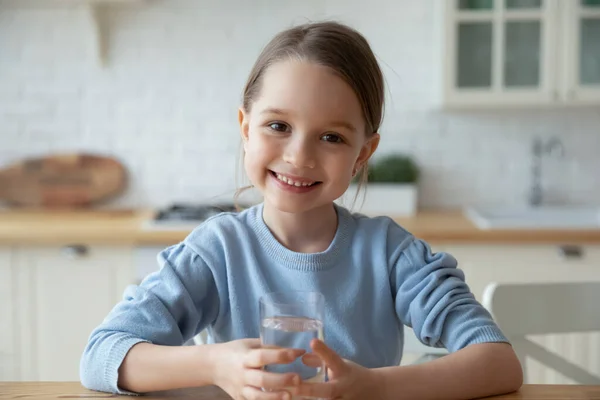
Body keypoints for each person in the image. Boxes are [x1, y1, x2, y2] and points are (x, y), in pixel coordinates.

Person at [80, 20, 523, 400]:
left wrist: (374, 387)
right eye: (278, 126)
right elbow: (102, 355)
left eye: (331, 137)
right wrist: (216, 364)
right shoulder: (216, 251)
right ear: (245, 128)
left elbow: (499, 363)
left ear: (363, 154)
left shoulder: (391, 255)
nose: (299, 156)